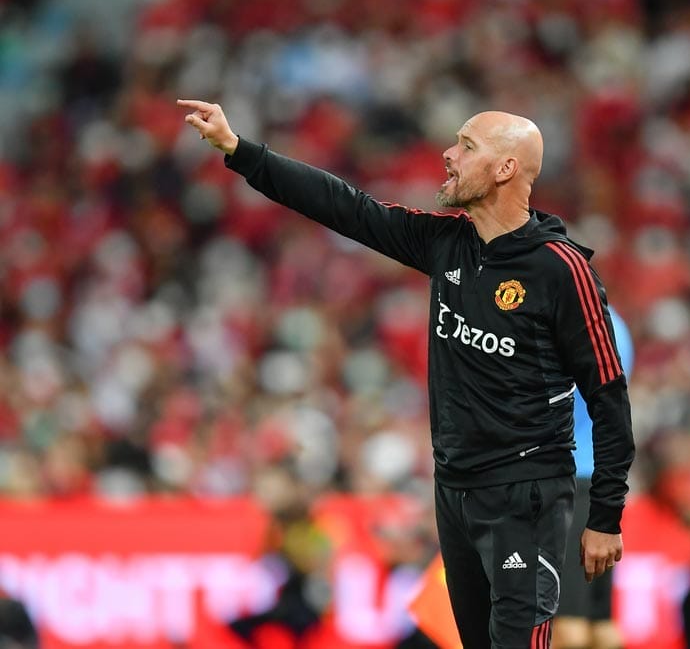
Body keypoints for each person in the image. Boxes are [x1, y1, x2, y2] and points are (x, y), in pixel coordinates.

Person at [177, 100, 635, 649]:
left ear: (505, 169)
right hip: (456, 492)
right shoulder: (447, 244)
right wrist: (240, 151)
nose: (448, 154)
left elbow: (609, 397)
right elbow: (348, 209)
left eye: (466, 146)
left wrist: (606, 514)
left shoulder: (562, 271)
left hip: (525, 496)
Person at [553, 307, 633, 649]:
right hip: (600, 483)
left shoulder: (559, 315)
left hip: (565, 481)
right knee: (602, 624)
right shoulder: (616, 322)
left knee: (568, 623)